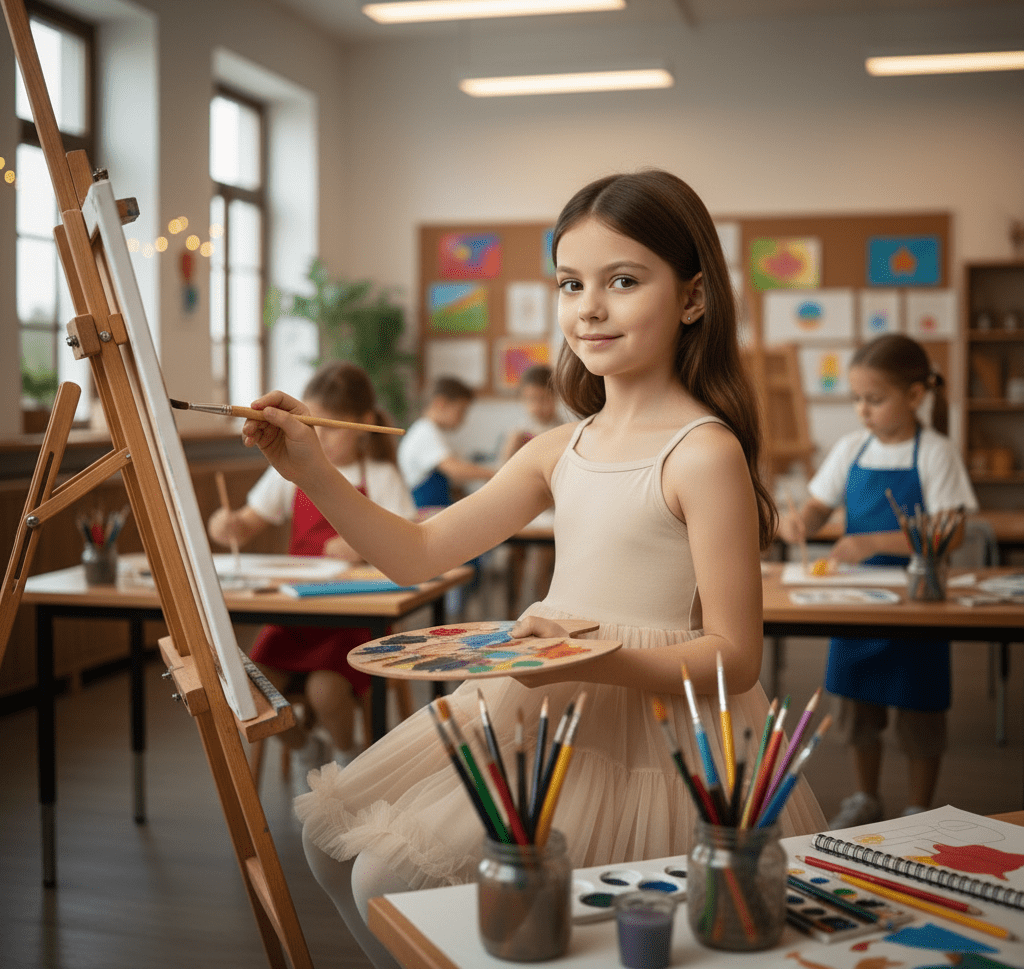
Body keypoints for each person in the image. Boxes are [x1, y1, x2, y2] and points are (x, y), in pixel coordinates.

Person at [240, 169, 826, 968]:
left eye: (623, 281)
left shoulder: (705, 451)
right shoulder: (558, 447)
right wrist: (311, 471)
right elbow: (414, 552)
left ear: (692, 298)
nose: (589, 306)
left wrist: (594, 658)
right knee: (336, 852)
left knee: (390, 878)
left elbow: (735, 657)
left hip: (654, 736)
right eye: (571, 282)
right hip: (535, 703)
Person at [778, 334, 978, 829]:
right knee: (856, 707)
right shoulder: (851, 448)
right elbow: (818, 507)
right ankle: (865, 797)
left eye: (875, 398)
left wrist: (872, 543)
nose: (863, 410)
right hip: (855, 604)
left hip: (916, 602)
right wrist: (799, 521)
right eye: (856, 400)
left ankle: (917, 808)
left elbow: (950, 533)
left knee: (920, 710)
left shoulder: (935, 452)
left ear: (915, 396)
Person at [208, 360, 416, 761]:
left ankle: (346, 757)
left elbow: (407, 542)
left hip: (353, 618)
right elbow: (247, 524)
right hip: (296, 613)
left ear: (365, 423)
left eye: (335, 427)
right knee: (246, 687)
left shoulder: (381, 474)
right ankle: (308, 748)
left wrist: (363, 543)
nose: (324, 438)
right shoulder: (290, 468)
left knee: (325, 689)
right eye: (315, 425)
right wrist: (227, 525)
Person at [498, 364, 562, 611]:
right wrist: (510, 448)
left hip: (550, 511)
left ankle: (543, 609)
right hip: (522, 511)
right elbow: (503, 473)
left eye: (543, 399)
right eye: (531, 400)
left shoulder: (562, 430)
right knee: (516, 559)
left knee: (544, 565)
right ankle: (511, 611)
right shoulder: (519, 432)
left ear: (556, 397)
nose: (537, 406)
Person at [397, 376, 494, 508]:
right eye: (461, 411)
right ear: (440, 403)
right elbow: (454, 469)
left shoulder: (432, 431)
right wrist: (494, 473)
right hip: (424, 511)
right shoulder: (425, 431)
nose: (463, 419)